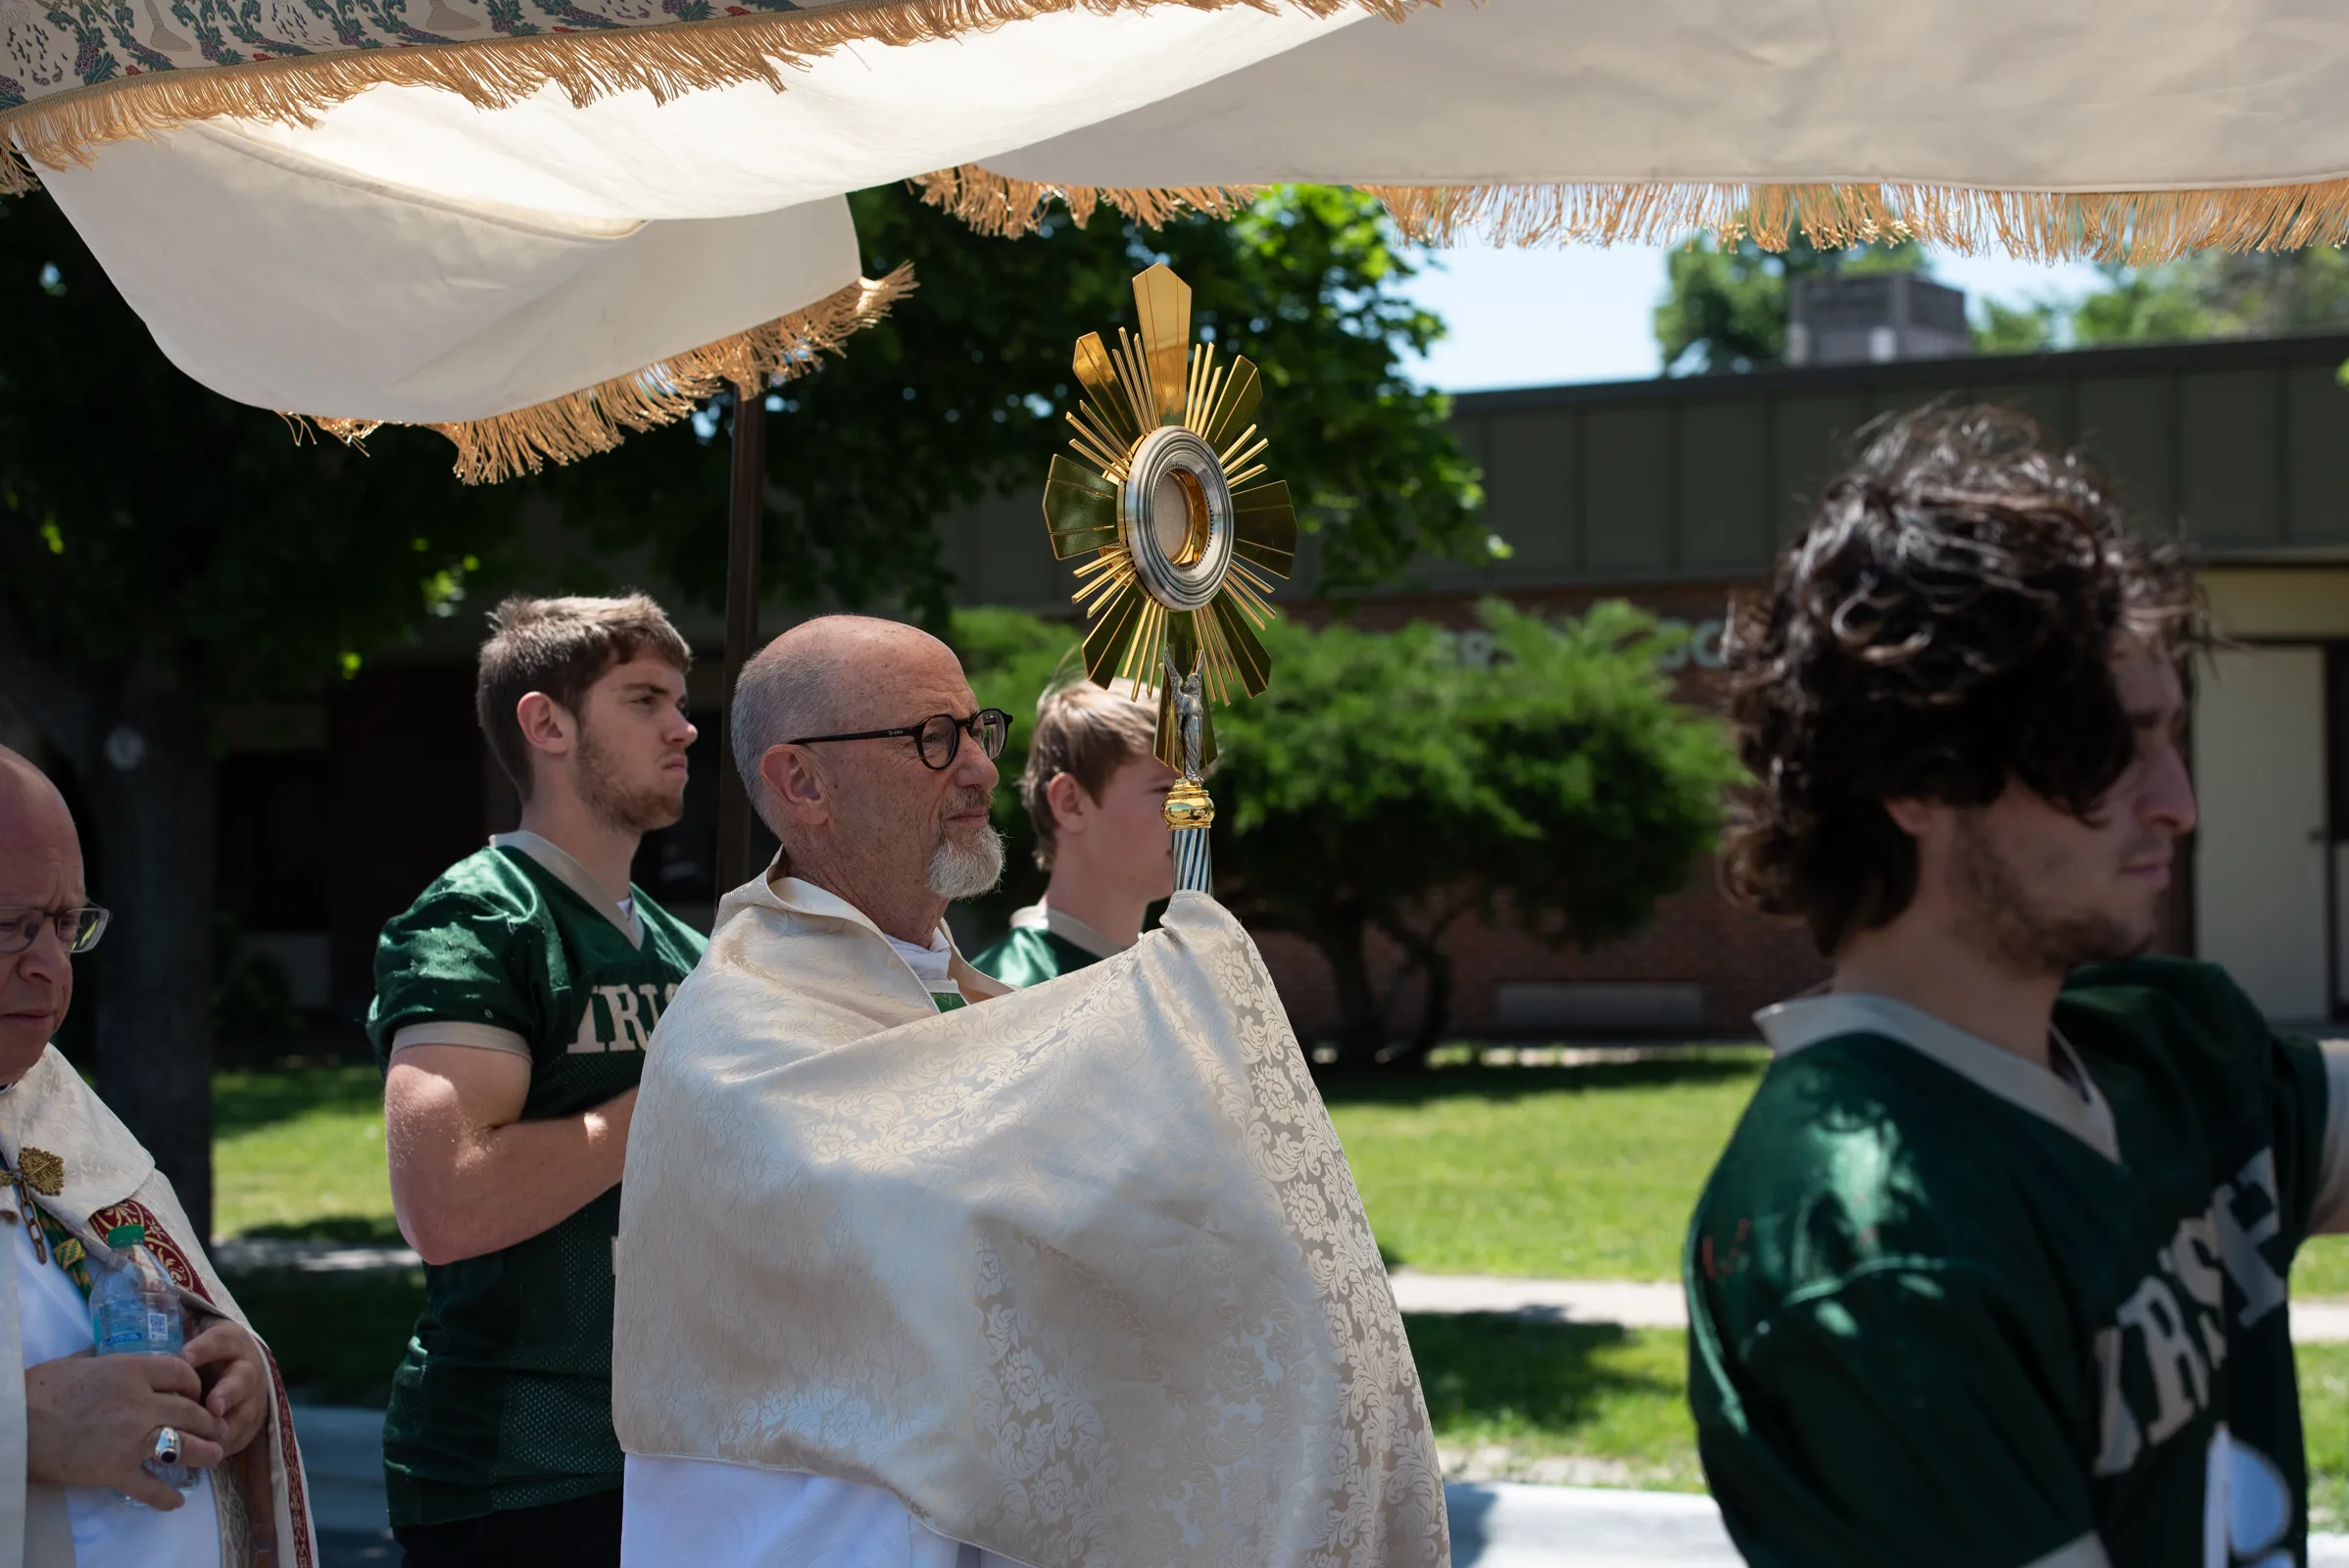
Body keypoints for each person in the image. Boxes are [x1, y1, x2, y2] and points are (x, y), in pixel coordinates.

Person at [612, 614, 1444, 1568]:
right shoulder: (739, 1028)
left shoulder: (956, 993)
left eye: (978, 730)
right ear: (801, 782)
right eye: (931, 739)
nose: (974, 769)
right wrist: (1175, 1012)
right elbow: (931, 1226)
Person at [1686, 404, 2349, 1567]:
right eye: (2115, 745)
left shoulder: (2171, 1046)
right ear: (1918, 774)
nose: (2179, 803)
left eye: (2172, 735)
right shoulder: (1872, 1237)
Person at [368, 595, 707, 1566]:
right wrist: (671, 1104)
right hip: (510, 1472)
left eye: (680, 701)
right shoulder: (477, 919)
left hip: (668, 1453)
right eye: (645, 699)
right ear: (546, 722)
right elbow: (447, 1200)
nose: (683, 725)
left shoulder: (690, 948)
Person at [0, 747, 314, 1565]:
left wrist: (231, 1369)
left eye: (68, 926)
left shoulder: (52, 1103)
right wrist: (21, 1430)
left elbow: (154, 1294)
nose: (52, 966)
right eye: (11, 927)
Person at [973, 679, 1174, 986]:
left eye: (1197, 790)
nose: (1196, 812)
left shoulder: (1175, 979)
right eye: (1165, 788)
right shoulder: (1001, 995)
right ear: (1071, 803)